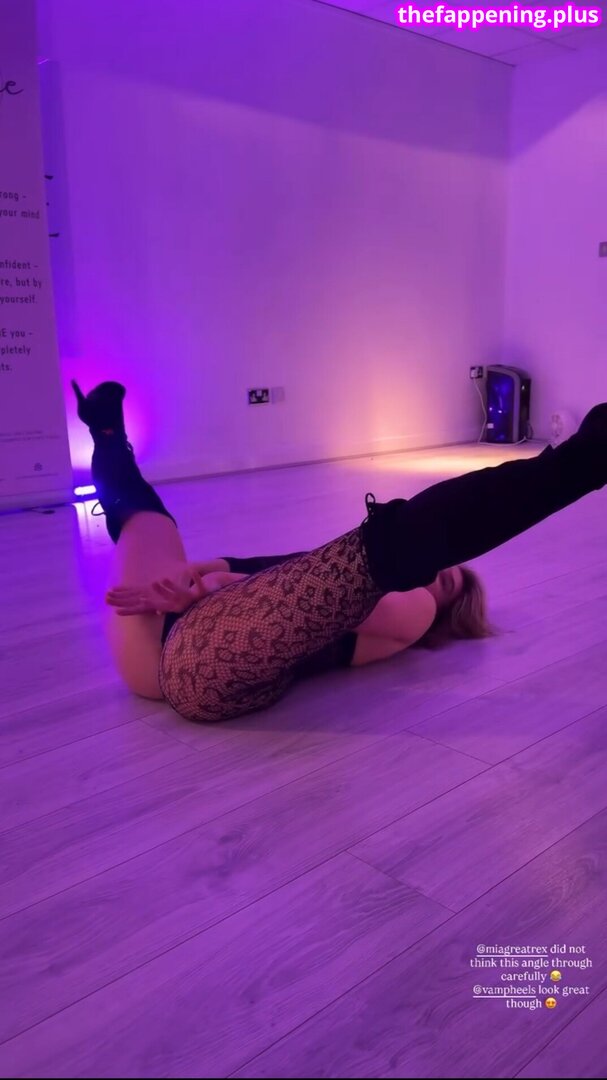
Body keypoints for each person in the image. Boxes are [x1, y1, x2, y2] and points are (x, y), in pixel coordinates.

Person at [72, 379, 607, 723]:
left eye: (446, 579)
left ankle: (588, 458)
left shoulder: (415, 615)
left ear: (448, 610)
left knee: (382, 548)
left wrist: (211, 587)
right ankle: (107, 434)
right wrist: (194, 576)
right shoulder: (336, 582)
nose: (436, 572)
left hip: (194, 665)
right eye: (446, 567)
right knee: (145, 519)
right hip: (157, 641)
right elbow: (263, 576)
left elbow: (304, 604)